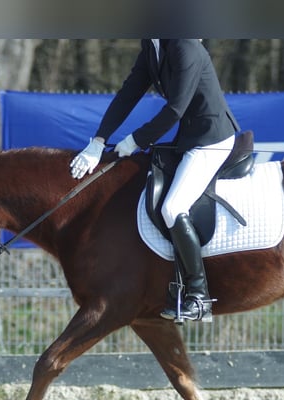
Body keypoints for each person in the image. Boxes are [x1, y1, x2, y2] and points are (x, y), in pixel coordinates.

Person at [70, 39, 240, 322]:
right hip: (188, 139)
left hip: (212, 139)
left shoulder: (184, 47)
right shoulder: (152, 48)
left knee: (172, 208)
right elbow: (128, 94)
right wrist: (98, 141)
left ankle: (199, 296)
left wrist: (135, 140)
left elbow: (176, 109)